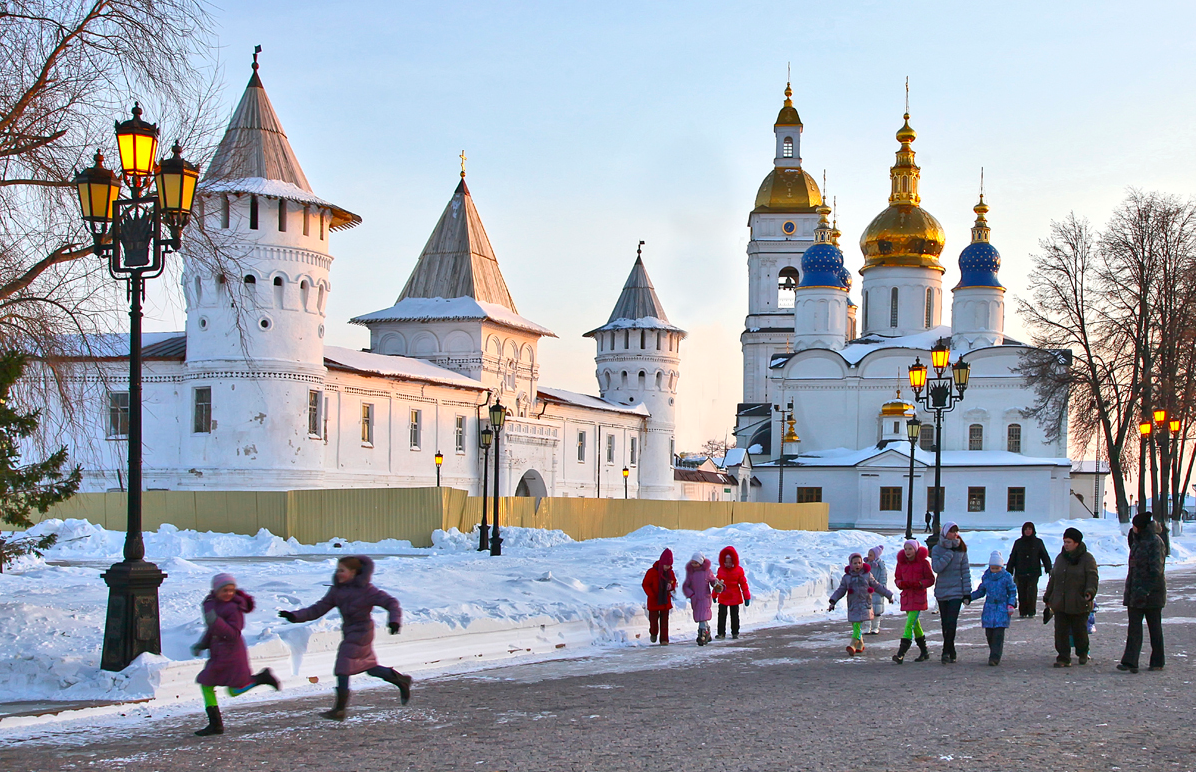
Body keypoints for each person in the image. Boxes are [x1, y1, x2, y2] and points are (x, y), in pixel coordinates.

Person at [279, 556, 411, 720]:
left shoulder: (366, 590)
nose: (338, 573)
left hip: (362, 632)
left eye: (342, 570)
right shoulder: (337, 591)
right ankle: (401, 680)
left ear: (353, 572)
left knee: (343, 665)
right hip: (349, 631)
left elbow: (391, 603)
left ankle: (340, 710)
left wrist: (394, 621)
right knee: (369, 667)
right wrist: (294, 616)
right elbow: (317, 609)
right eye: (338, 570)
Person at [192, 573, 281, 736]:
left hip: (232, 655)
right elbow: (212, 629)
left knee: (234, 691)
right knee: (206, 684)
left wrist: (215, 621)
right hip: (218, 654)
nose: (228, 594)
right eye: (225, 590)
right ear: (216, 590)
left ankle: (261, 678)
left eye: (231, 590)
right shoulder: (213, 605)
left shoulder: (234, 608)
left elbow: (233, 633)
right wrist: (202, 644)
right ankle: (215, 724)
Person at [1043, 527, 1099, 667]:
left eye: (1069, 542)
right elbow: (1054, 579)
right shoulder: (1061, 558)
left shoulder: (1087, 559)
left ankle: (1082, 653)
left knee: (1079, 631)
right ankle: (1063, 657)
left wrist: (1089, 592)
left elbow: (1092, 577)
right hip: (1060, 602)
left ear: (1077, 543)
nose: (1066, 544)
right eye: (1064, 542)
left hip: (1079, 602)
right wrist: (1048, 596)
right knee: (1060, 632)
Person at [1118, 513, 1167, 673]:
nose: (1133, 529)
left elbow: (1156, 571)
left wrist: (1145, 590)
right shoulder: (1137, 542)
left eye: (1134, 526)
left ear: (1141, 527)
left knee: (1154, 628)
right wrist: (1133, 591)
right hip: (1135, 593)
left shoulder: (1155, 542)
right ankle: (1130, 661)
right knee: (1134, 628)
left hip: (1152, 594)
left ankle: (1157, 661)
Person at [828, 552, 894, 656]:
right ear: (850, 564)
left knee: (857, 625)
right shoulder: (847, 578)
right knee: (855, 624)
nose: (857, 565)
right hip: (853, 605)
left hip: (864, 604)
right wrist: (833, 601)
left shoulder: (867, 575)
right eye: (855, 563)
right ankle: (860, 645)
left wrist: (888, 595)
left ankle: (853, 644)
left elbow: (877, 586)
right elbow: (840, 590)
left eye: (859, 563)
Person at [930, 522, 972, 664]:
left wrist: (967, 593)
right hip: (942, 590)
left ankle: (945, 651)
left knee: (952, 622)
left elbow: (965, 571)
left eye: (956, 531)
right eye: (952, 531)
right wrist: (948, 553)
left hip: (956, 591)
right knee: (944, 623)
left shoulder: (961, 549)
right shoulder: (937, 549)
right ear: (945, 533)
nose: (954, 534)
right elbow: (936, 568)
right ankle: (951, 649)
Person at [970, 551, 1018, 666]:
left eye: (997, 568)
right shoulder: (986, 577)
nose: (995, 570)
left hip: (1002, 608)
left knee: (998, 634)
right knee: (989, 634)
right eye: (993, 568)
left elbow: (1012, 591)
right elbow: (981, 591)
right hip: (989, 608)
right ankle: (993, 650)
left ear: (1001, 567)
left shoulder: (1007, 577)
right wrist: (970, 597)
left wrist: (1011, 604)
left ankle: (995, 657)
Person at [892, 539, 935, 664]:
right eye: (905, 549)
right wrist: (901, 584)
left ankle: (901, 654)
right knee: (916, 626)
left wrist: (920, 583)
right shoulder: (901, 564)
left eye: (910, 549)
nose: (907, 551)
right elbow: (897, 578)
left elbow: (930, 579)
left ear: (915, 550)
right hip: (906, 597)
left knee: (909, 625)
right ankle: (924, 651)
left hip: (918, 597)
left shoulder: (923, 563)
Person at [1006, 521, 1053, 618]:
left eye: (1030, 529)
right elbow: (1013, 556)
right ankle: (1023, 611)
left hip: (1033, 572)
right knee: (1021, 592)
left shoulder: (1038, 542)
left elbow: (1044, 555)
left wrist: (1049, 568)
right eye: (1026, 529)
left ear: (1033, 530)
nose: (1028, 531)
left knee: (1031, 592)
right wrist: (1009, 570)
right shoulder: (1018, 543)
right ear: (1023, 531)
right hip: (1021, 572)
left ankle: (1031, 611)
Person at [682, 552, 722, 645]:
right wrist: (691, 595)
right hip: (696, 598)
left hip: (705, 597)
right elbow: (686, 585)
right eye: (692, 563)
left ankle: (702, 634)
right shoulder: (691, 573)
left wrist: (716, 585)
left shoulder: (707, 571)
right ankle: (707, 631)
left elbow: (712, 580)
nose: (694, 565)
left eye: (695, 563)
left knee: (703, 617)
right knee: (700, 617)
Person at [714, 545, 750, 640]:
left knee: (734, 615)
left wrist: (747, 597)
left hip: (734, 596)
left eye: (730, 562)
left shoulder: (739, 571)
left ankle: (735, 632)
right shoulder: (721, 570)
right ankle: (721, 633)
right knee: (722, 615)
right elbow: (718, 584)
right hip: (724, 596)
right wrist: (714, 595)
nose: (728, 564)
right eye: (726, 562)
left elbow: (744, 585)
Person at [642, 548, 677, 645]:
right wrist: (651, 595)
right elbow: (645, 584)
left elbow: (673, 581)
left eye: (669, 565)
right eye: (666, 565)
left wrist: (671, 586)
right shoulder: (652, 572)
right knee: (654, 621)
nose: (667, 567)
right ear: (662, 563)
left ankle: (664, 640)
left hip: (665, 601)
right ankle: (653, 633)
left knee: (664, 622)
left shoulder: (670, 572)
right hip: (654, 601)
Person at [864, 545, 888, 634]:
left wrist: (882, 587)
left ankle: (875, 627)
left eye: (871, 555)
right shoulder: (866, 565)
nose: (869, 556)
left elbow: (883, 577)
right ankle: (867, 627)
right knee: (867, 610)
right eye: (868, 554)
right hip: (867, 590)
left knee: (877, 610)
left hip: (877, 590)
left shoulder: (880, 566)